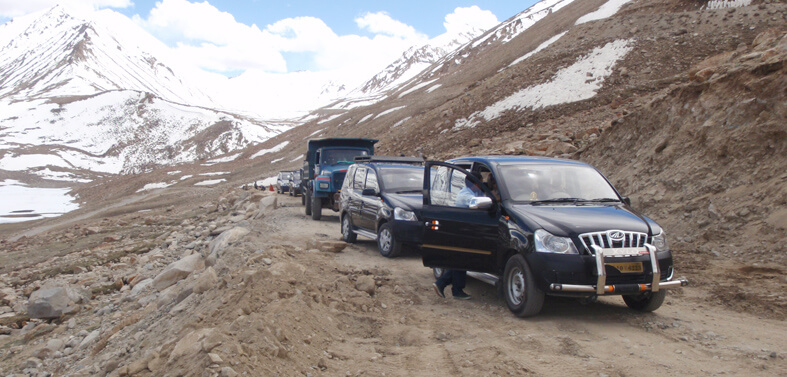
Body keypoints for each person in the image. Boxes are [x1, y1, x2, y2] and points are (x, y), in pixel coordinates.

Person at [433, 171, 483, 300]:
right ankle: (455, 290)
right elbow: (479, 204)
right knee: (462, 261)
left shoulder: (471, 192)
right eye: (480, 182)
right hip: (462, 232)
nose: (481, 185)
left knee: (461, 260)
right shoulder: (466, 196)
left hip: (463, 231)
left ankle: (442, 284)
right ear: (475, 184)